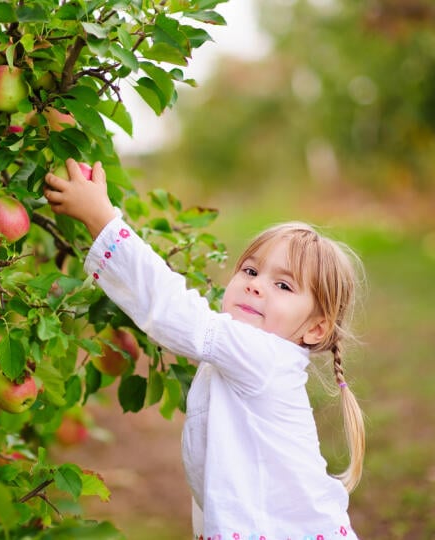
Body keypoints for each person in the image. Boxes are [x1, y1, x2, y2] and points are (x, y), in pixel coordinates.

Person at [44, 159, 365, 540]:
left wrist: (102, 219)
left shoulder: (264, 357)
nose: (256, 286)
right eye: (250, 271)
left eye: (283, 286)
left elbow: (174, 310)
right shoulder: (248, 354)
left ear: (315, 328)